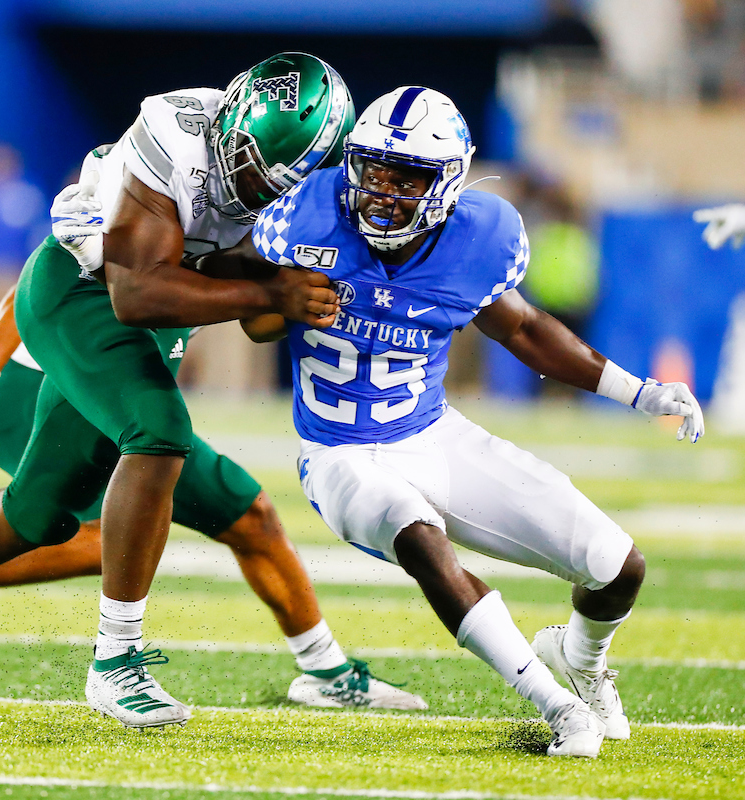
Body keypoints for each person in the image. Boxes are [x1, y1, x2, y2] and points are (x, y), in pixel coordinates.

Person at [0, 52, 353, 729]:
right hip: (82, 295)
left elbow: (257, 321)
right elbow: (136, 292)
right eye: (249, 162)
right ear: (232, 118)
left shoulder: (292, 192)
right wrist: (271, 286)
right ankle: (117, 662)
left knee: (40, 514)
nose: (252, 185)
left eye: (271, 179)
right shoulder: (174, 132)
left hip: (142, 320)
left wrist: (306, 286)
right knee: (158, 431)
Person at [207, 86, 703, 757]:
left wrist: (640, 393)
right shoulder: (306, 213)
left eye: (405, 178)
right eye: (374, 171)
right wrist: (279, 298)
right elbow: (256, 324)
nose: (383, 192)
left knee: (618, 567)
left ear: (446, 185)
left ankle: (580, 661)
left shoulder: (479, 238)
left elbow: (525, 331)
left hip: (431, 434)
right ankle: (556, 707)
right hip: (338, 452)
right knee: (421, 538)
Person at [0, 283, 427, 711]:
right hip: (53, 388)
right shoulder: (155, 181)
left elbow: (258, 315)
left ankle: (324, 672)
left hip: (136, 400)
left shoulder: (239, 203)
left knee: (250, 515)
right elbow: (34, 283)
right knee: (111, 543)